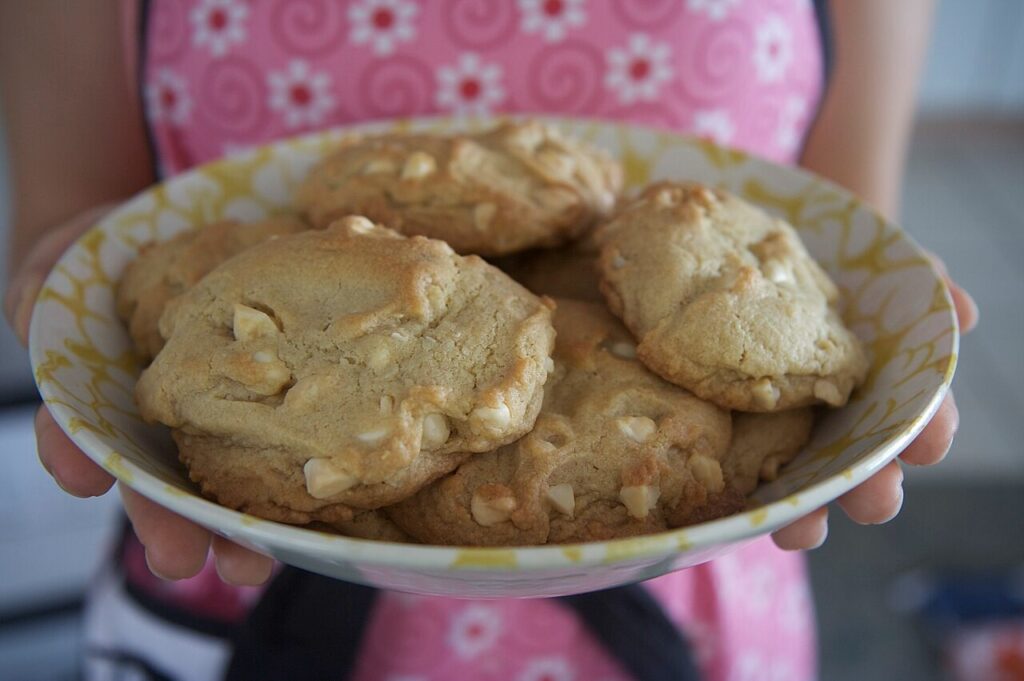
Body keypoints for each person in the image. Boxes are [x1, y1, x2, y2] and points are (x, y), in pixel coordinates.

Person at [1, 1, 979, 679]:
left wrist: (879, 292)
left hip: (706, 577)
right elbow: (76, 210)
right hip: (243, 582)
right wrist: (65, 271)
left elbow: (834, 219)